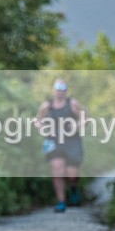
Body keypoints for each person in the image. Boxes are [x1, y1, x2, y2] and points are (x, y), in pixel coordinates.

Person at [36, 79, 85, 213]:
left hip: (72, 141)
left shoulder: (72, 104)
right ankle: (61, 201)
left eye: (62, 89)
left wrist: (77, 126)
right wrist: (41, 129)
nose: (59, 91)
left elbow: (85, 118)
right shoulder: (47, 106)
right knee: (57, 169)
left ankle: (74, 188)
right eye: (57, 89)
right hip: (54, 140)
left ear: (66, 90)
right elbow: (38, 121)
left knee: (71, 174)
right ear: (53, 90)